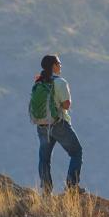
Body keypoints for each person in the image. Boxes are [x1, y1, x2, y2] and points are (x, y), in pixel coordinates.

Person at [35, 54, 84, 194]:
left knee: (44, 159)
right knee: (76, 152)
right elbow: (66, 105)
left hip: (42, 125)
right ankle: (72, 187)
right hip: (59, 124)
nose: (61, 66)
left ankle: (46, 191)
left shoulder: (39, 82)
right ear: (54, 65)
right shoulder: (60, 82)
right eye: (59, 63)